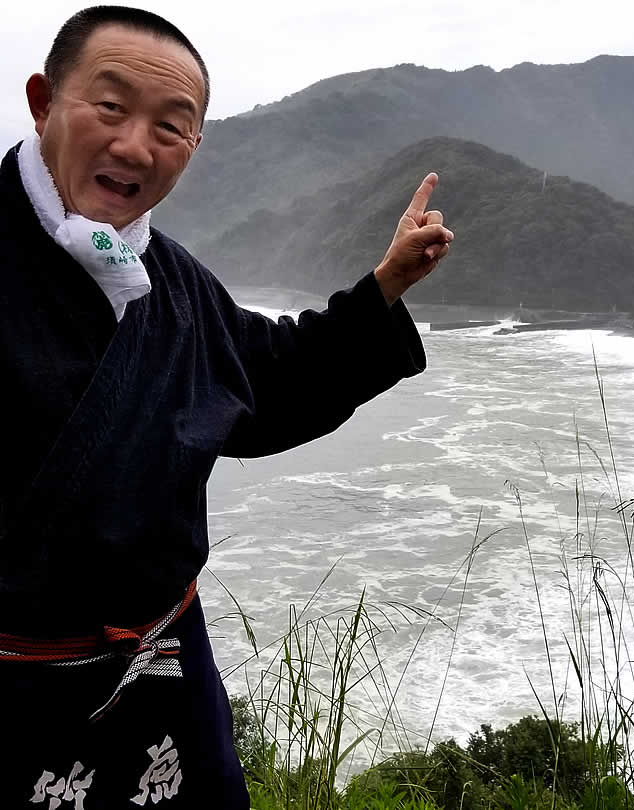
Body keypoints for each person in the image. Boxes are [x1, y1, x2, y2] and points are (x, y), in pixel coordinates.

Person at [0, 6, 452, 808]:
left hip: (162, 666)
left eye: (171, 127)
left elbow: (266, 379)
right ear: (42, 101)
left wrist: (385, 287)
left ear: (194, 148)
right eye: (110, 107)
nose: (136, 145)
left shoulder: (175, 285)